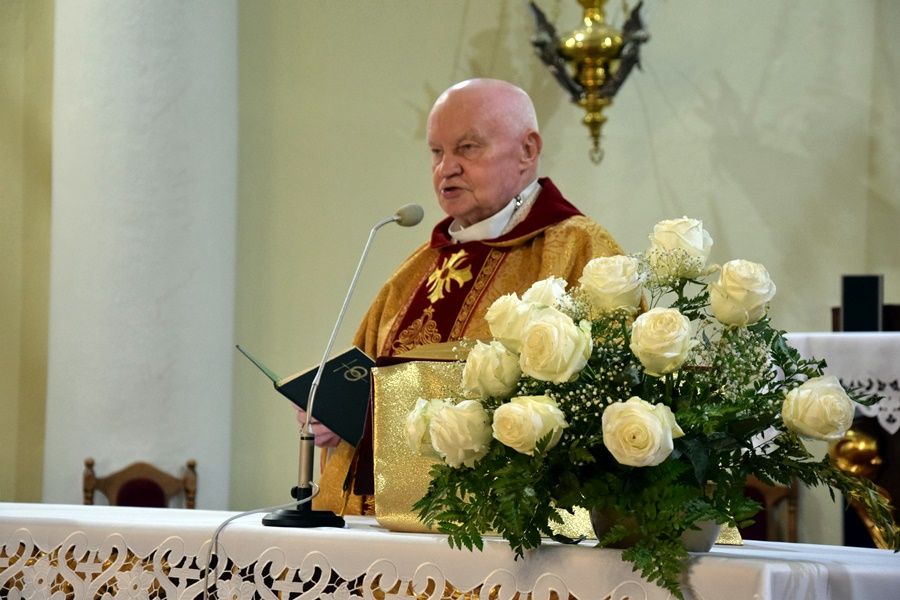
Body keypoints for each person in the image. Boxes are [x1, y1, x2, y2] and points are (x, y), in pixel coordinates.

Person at [301, 77, 626, 515]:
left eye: (467, 148)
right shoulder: (416, 270)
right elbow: (365, 385)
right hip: (387, 524)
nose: (446, 167)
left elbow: (608, 396)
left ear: (527, 150)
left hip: (508, 524)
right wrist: (334, 419)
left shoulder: (578, 252)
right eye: (437, 151)